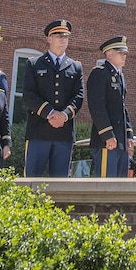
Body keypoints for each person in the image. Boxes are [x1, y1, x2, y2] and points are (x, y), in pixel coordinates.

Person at [22, 20, 83, 178]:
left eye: (66, 36)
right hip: (38, 132)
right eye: (58, 35)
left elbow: (78, 96)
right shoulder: (34, 64)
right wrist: (50, 113)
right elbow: (29, 94)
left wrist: (63, 115)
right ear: (49, 39)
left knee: (61, 184)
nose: (63, 39)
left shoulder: (75, 67)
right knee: (32, 182)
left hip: (63, 133)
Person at [87, 35, 134, 178]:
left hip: (120, 141)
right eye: (120, 53)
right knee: (106, 187)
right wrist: (108, 135)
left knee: (120, 187)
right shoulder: (100, 73)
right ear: (109, 54)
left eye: (125, 53)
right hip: (107, 141)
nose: (124, 56)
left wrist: (129, 134)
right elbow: (97, 107)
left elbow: (122, 108)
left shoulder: (120, 76)